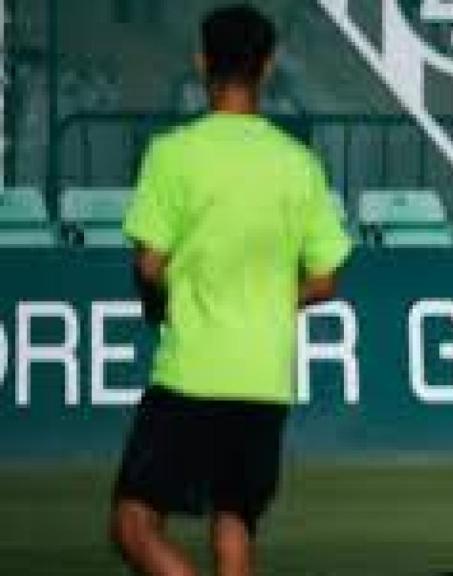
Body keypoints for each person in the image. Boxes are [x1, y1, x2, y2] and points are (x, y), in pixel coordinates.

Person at [109, 5, 351, 575]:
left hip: (192, 371)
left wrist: (165, 301)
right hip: (263, 379)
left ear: (201, 62)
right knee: (235, 521)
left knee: (133, 525)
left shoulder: (174, 153)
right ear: (268, 67)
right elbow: (325, 280)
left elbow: (149, 264)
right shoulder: (298, 163)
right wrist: (266, 303)